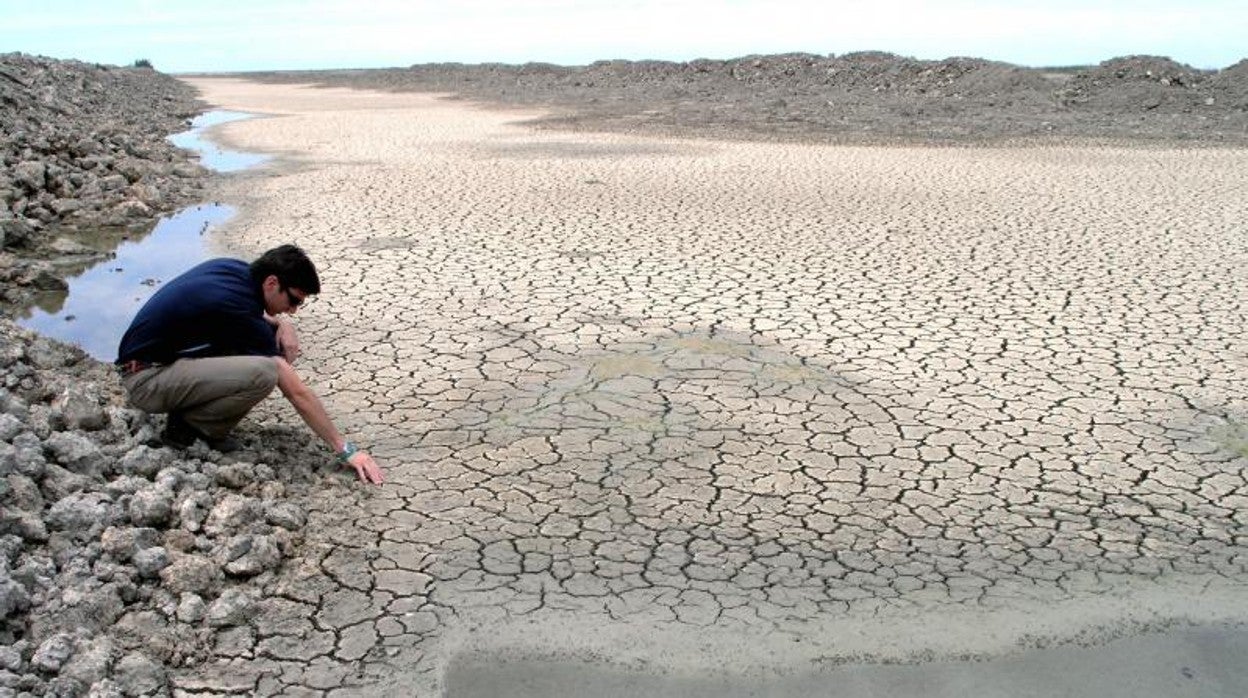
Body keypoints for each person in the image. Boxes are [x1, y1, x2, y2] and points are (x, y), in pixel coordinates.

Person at [115, 244, 384, 484]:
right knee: (267, 371)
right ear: (271, 283)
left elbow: (253, 322)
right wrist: (345, 448)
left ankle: (192, 417)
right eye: (293, 301)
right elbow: (295, 391)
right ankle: (189, 429)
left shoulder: (237, 272)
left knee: (267, 346)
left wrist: (282, 323)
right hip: (147, 380)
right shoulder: (234, 305)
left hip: (154, 364)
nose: (293, 310)